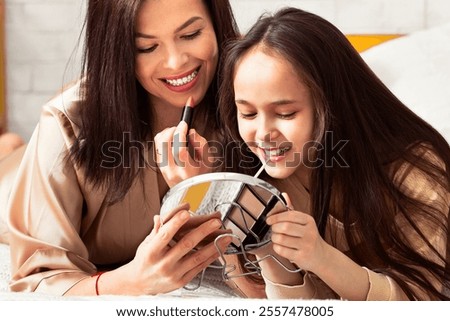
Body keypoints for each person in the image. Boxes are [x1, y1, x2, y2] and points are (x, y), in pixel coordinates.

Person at [0, 0, 239, 296]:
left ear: (217, 25)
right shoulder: (64, 122)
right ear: (118, 51)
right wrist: (131, 281)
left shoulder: (250, 92)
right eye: (147, 48)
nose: (176, 62)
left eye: (191, 35)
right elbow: (35, 284)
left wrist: (202, 189)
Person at [217, 7, 450, 300]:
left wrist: (321, 257)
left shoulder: (413, 169)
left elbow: (417, 301)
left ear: (331, 104)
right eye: (248, 113)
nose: (262, 133)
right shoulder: (253, 178)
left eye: (286, 113)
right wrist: (269, 255)